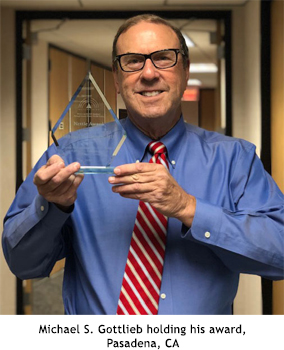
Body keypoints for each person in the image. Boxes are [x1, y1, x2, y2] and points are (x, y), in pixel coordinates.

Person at [2, 14, 284, 315]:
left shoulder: (234, 159)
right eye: (133, 60)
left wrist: (188, 208)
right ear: (116, 78)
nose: (149, 73)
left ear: (185, 71)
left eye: (164, 58)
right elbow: (23, 265)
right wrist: (53, 207)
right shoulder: (69, 155)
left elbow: (279, 254)